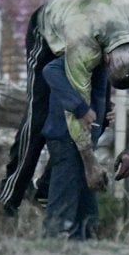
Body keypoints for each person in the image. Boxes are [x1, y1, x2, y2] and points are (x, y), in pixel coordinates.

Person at [0, 0, 129, 216]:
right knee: (40, 116)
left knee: (101, 116)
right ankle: (9, 198)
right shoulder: (83, 39)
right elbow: (74, 108)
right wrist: (90, 163)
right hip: (51, 28)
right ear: (105, 59)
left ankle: (47, 187)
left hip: (101, 27)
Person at [40, 55, 110, 238]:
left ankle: (84, 250)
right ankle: (54, 246)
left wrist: (105, 112)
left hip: (84, 139)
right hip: (66, 137)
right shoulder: (86, 51)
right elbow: (51, 70)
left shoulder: (103, 59)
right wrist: (81, 108)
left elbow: (98, 91)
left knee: (87, 214)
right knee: (62, 211)